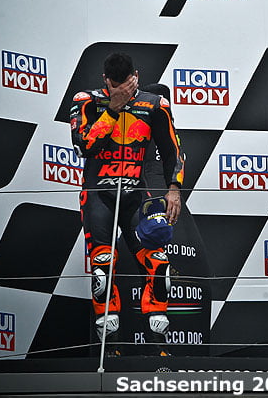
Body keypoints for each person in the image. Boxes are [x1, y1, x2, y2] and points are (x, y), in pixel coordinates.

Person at [70, 53, 184, 356]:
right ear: (105, 80)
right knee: (103, 267)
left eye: (127, 82)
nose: (122, 88)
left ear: (136, 75)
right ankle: (111, 348)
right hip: (98, 195)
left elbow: (172, 149)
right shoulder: (86, 100)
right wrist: (113, 108)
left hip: (137, 195)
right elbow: (83, 145)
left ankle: (158, 345)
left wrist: (174, 189)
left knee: (158, 262)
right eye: (116, 84)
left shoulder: (155, 104)